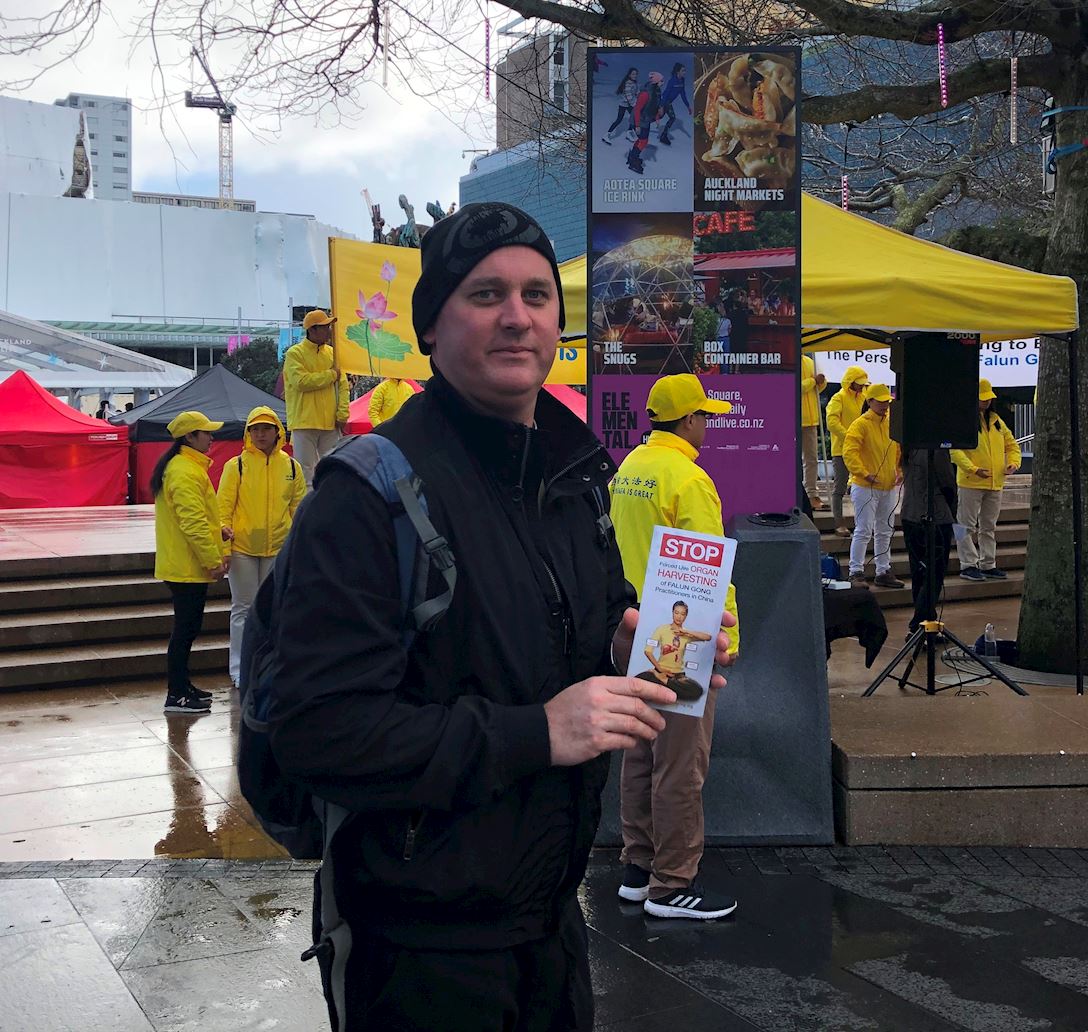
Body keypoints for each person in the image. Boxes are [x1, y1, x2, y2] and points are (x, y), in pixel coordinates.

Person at [265, 203, 732, 1030]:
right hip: (418, 950)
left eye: (536, 295)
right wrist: (538, 732)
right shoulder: (365, 495)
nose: (518, 316)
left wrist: (627, 642)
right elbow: (319, 732)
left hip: (552, 925)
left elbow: (565, 625)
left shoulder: (574, 475)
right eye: (486, 294)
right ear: (430, 327)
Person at [609, 372, 740, 921]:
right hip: (681, 639)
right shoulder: (689, 478)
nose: (707, 424)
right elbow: (708, 566)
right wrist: (726, 639)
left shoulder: (628, 469)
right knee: (682, 764)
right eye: (704, 415)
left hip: (633, 629)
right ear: (689, 420)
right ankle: (673, 885)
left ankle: (639, 869)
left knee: (640, 751)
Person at [215, 406, 306, 686]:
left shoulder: (292, 466)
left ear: (277, 432)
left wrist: (298, 547)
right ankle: (239, 668)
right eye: (255, 429)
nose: (260, 434)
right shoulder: (236, 466)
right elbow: (223, 510)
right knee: (242, 608)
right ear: (248, 433)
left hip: (277, 548)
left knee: (274, 609)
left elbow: (299, 509)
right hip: (242, 548)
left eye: (266, 428)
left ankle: (270, 665)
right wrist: (225, 550)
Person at [152, 410, 228, 714]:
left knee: (187, 630)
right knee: (185, 632)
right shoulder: (184, 471)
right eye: (206, 432)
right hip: (186, 567)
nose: (211, 437)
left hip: (184, 564)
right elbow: (192, 523)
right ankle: (177, 694)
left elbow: (197, 517)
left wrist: (219, 531)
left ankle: (183, 686)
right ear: (190, 437)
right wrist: (213, 561)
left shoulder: (184, 466)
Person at [952, 379, 1021, 581]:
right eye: (983, 398)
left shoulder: (996, 420)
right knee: (964, 524)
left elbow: (1012, 445)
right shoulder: (963, 420)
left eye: (989, 398)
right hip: (970, 482)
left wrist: (1014, 463)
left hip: (994, 482)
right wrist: (972, 469)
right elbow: (955, 450)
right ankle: (967, 564)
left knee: (988, 526)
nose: (987, 402)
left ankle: (988, 563)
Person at [843, 384, 903, 590]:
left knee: (885, 530)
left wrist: (898, 470)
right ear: (870, 401)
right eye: (881, 401)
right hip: (865, 485)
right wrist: (863, 473)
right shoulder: (860, 424)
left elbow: (897, 450)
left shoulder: (890, 424)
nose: (885, 405)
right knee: (864, 529)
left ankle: (883, 570)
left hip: (887, 486)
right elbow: (849, 452)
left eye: (887, 401)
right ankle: (855, 571)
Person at [284, 309, 350, 483]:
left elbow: (343, 386)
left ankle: (331, 499)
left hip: (330, 423)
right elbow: (301, 382)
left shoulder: (333, 353)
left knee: (333, 469)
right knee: (305, 472)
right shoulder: (294, 354)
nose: (329, 330)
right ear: (312, 330)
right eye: (325, 327)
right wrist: (331, 375)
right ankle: (307, 501)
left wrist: (343, 414)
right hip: (303, 422)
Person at [900, 444, 957, 633]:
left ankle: (926, 620)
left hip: (910, 514)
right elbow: (947, 482)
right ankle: (920, 622)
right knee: (934, 573)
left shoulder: (908, 446)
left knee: (919, 572)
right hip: (935, 515)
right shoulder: (936, 448)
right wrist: (952, 509)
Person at [635, 601, 712, 702]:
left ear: (686, 616)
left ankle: (665, 683)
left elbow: (708, 637)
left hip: (677, 676)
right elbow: (648, 651)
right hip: (659, 673)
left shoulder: (686, 634)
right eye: (676, 613)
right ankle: (668, 686)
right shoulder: (662, 629)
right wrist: (660, 669)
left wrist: (686, 632)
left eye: (682, 614)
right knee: (637, 682)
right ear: (672, 613)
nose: (679, 617)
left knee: (697, 690)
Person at [825, 366, 869, 530]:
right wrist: (849, 436)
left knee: (864, 486)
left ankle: (863, 523)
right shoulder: (838, 398)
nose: (861, 386)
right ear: (850, 382)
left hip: (861, 448)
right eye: (859, 383)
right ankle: (839, 523)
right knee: (840, 488)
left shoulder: (864, 398)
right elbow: (832, 422)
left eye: (863, 383)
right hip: (841, 449)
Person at [625, 71, 665, 175]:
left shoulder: (656, 92)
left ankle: (632, 157)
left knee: (641, 140)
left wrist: (657, 118)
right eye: (661, 81)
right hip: (639, 120)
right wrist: (637, 125)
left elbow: (654, 107)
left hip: (645, 120)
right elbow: (637, 109)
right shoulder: (645, 94)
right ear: (656, 82)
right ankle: (633, 160)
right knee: (643, 141)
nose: (663, 83)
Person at [800, 354, 826, 510]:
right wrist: (813, 381)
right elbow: (794, 387)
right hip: (792, 417)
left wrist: (821, 382)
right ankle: (793, 493)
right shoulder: (788, 360)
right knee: (791, 460)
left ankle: (811, 494)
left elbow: (818, 388)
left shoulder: (810, 361)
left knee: (811, 459)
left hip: (811, 420)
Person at [658, 61, 690, 145]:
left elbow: (683, 94)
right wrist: (661, 106)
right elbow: (666, 94)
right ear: (678, 72)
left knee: (659, 117)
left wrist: (688, 106)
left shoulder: (682, 80)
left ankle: (642, 124)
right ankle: (663, 136)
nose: (684, 72)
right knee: (672, 117)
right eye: (683, 70)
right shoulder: (672, 81)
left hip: (668, 102)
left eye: (685, 70)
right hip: (665, 101)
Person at [603, 67, 639, 143]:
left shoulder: (634, 82)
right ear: (629, 75)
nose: (635, 75)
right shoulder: (628, 83)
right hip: (624, 104)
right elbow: (629, 97)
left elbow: (636, 92)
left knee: (633, 118)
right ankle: (607, 134)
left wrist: (640, 95)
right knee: (619, 119)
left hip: (629, 104)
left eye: (636, 74)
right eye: (633, 74)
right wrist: (635, 105)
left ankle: (629, 133)